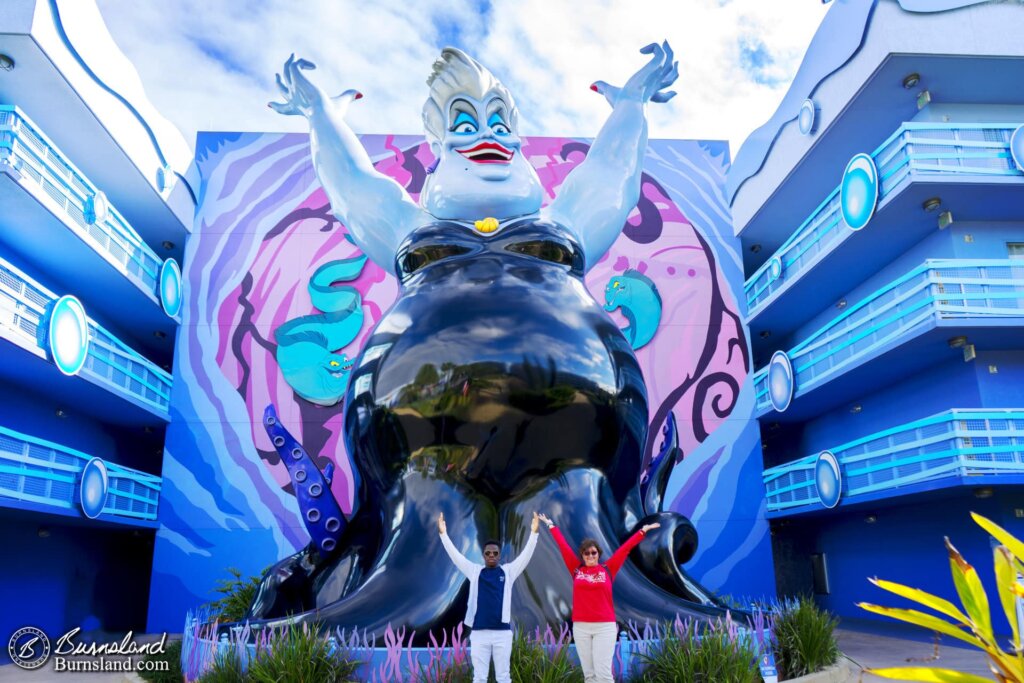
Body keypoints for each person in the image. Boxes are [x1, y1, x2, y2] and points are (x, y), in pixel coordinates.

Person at [537, 513, 660, 683]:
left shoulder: (608, 569)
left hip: (604, 627)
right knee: (589, 675)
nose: (590, 556)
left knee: (603, 674)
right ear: (582, 556)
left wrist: (642, 531)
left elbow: (625, 549)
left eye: (593, 552)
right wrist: (551, 526)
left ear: (598, 554)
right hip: (581, 628)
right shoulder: (576, 570)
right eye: (586, 553)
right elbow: (563, 547)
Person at [438, 511, 540, 683]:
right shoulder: (475, 571)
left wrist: (534, 533)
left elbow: (526, 556)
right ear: (484, 555)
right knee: (479, 678)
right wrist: (443, 534)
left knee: (503, 677)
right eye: (488, 553)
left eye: (495, 553)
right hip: (479, 634)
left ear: (499, 555)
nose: (491, 556)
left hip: (502, 634)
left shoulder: (508, 572)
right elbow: (456, 557)